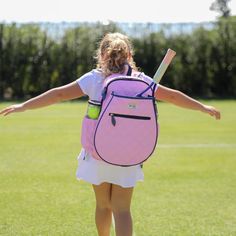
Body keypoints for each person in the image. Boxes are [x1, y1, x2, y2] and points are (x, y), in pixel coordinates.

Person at [0, 32, 221, 236]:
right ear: (130, 55)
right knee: (122, 210)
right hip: (131, 155)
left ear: (101, 55)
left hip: (97, 153)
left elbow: (58, 94)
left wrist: (23, 106)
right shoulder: (143, 82)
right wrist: (203, 107)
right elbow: (173, 97)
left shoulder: (94, 79)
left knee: (103, 205)